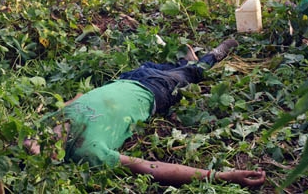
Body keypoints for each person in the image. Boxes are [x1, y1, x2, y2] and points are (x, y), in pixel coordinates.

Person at [24, 39, 266, 188]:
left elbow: (75, 100)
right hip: (155, 92)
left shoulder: (49, 124)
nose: (43, 141)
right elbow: (150, 167)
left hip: (126, 79)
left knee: (150, 67)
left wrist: (33, 138)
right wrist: (222, 176)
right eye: (44, 153)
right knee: (190, 75)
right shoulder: (88, 150)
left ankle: (183, 61)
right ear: (55, 159)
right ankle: (212, 56)